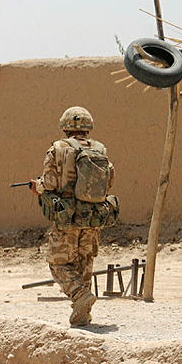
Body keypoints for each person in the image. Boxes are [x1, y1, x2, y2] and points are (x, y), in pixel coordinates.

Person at [30, 106, 116, 327]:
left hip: (67, 216)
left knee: (58, 263)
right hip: (93, 217)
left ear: (65, 126)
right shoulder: (100, 149)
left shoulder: (58, 148)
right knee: (84, 262)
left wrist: (37, 187)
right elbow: (109, 181)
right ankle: (83, 315)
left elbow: (49, 183)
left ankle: (79, 296)